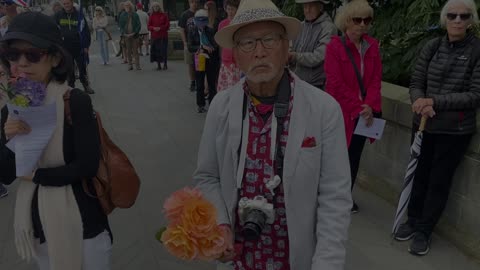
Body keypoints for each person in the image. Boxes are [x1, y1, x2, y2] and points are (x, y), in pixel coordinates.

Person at [194, 0, 352, 269]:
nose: (259, 52)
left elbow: (334, 197)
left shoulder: (323, 110)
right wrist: (221, 224)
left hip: (297, 260)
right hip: (239, 260)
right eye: (247, 43)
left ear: (286, 46)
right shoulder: (221, 106)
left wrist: (327, 263)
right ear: (236, 53)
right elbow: (207, 177)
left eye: (269, 39)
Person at [0, 12, 112, 269]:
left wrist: (36, 175)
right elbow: (5, 174)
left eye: (32, 54)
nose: (22, 62)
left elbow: (87, 165)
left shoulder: (75, 101)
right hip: (35, 223)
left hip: (83, 222)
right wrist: (9, 139)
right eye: (13, 55)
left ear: (55, 57)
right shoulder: (11, 107)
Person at [394, 0, 480, 256]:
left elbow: (475, 95)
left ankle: (424, 230)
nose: (457, 20)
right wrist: (420, 102)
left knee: (438, 181)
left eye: (463, 16)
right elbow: (416, 81)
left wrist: (435, 102)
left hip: (454, 131)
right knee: (418, 174)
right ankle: (412, 219)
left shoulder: (477, 50)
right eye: (452, 15)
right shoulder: (432, 46)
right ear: (444, 19)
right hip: (423, 124)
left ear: (470, 20)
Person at [324, 0, 382, 214]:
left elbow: (376, 79)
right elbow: (334, 83)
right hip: (342, 112)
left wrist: (369, 105)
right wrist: (359, 106)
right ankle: (331, 196)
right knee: (336, 157)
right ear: (347, 22)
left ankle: (345, 195)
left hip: (363, 114)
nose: (362, 25)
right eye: (357, 20)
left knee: (354, 157)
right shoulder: (334, 47)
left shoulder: (372, 46)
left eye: (367, 20)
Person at [290, 0, 337, 89]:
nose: (307, 10)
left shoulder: (328, 28)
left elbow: (319, 57)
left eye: (311, 6)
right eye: (305, 7)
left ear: (320, 7)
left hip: (315, 85)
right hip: (295, 82)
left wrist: (294, 56)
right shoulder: (300, 25)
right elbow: (291, 47)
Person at [54, 0, 94, 94]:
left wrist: (86, 45)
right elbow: (52, 28)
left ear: (72, 3)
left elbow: (85, 31)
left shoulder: (79, 16)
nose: (66, 5)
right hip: (65, 47)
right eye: (64, 4)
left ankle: (86, 85)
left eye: (68, 3)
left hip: (79, 46)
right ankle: (71, 88)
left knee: (82, 67)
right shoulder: (58, 15)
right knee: (69, 69)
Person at [188, 8, 219, 113]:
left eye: (203, 21)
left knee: (211, 83)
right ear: (195, 21)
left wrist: (209, 47)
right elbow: (190, 46)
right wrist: (201, 47)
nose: (201, 24)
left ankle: (213, 104)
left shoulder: (211, 31)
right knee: (200, 83)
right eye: (199, 21)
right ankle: (200, 104)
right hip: (199, 58)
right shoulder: (192, 31)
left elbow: (215, 45)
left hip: (210, 59)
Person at [216, 0, 240, 92]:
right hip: (225, 61)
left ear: (237, 10)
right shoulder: (222, 24)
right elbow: (220, 43)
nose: (230, 12)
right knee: (224, 90)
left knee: (236, 90)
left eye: (232, 9)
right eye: (228, 9)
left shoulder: (239, 23)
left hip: (237, 62)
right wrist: (221, 59)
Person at [178, 0, 198, 92]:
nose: (194, 4)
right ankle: (192, 81)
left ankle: (200, 82)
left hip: (200, 43)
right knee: (190, 64)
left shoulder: (200, 12)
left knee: (200, 64)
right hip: (189, 43)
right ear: (189, 3)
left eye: (196, 2)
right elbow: (181, 29)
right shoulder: (184, 15)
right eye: (192, 2)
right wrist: (185, 43)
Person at [119, 1, 141, 71]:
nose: (126, 7)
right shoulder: (122, 15)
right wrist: (124, 33)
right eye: (125, 6)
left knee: (135, 51)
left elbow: (138, 25)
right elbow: (121, 26)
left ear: (131, 6)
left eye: (128, 6)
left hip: (134, 35)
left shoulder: (135, 14)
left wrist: (134, 32)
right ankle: (130, 65)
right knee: (128, 51)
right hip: (126, 36)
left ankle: (137, 65)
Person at [148, 2, 169, 70]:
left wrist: (160, 28)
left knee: (164, 51)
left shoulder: (164, 15)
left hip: (163, 36)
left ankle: (165, 64)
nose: (156, 8)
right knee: (156, 51)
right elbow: (148, 26)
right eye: (154, 7)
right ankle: (159, 65)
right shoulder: (151, 15)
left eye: (157, 6)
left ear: (159, 7)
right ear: (152, 8)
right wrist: (153, 28)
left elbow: (167, 25)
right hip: (155, 36)